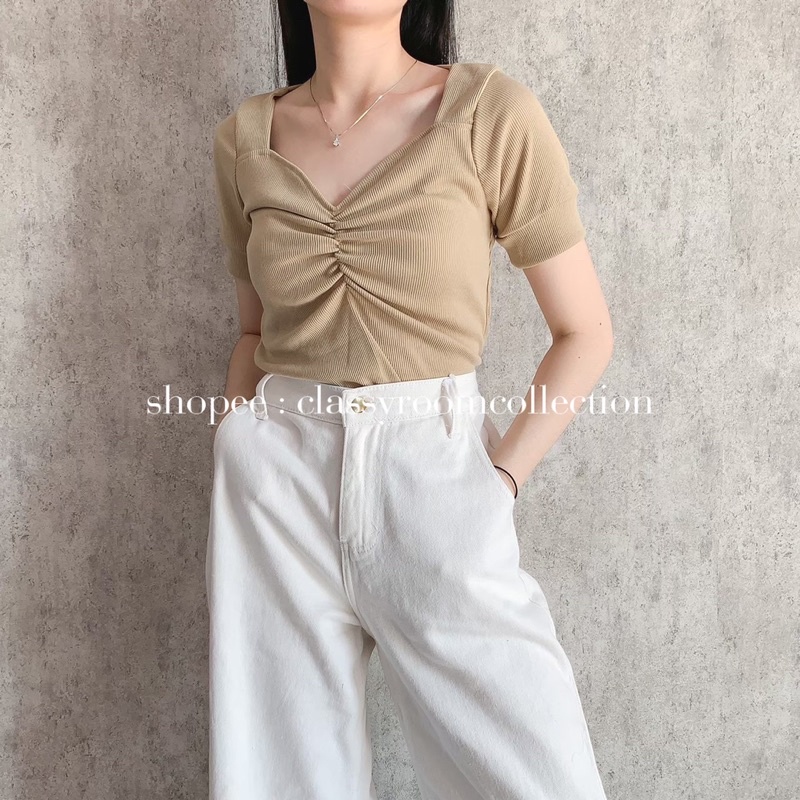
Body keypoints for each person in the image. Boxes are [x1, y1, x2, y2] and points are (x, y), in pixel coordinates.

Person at [206, 2, 614, 799]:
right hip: (275, 488)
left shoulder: (489, 112)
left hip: (435, 477)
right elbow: (253, 334)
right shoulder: (243, 140)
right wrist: (237, 437)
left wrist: (496, 485)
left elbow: (585, 332)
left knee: (539, 777)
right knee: (276, 779)